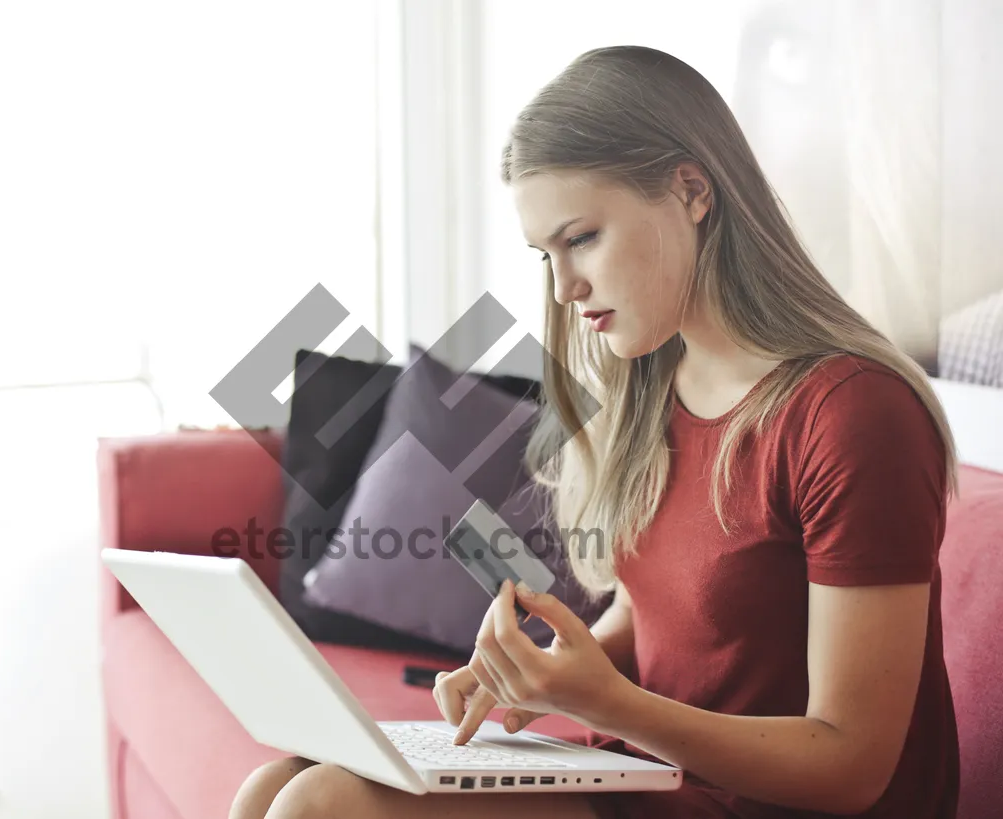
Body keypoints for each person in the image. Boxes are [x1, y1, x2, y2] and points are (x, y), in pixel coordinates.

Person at [228, 45, 959, 819]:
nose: (564, 287)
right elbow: (658, 613)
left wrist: (610, 706)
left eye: (581, 238)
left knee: (323, 804)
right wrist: (534, 672)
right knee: (273, 786)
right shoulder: (657, 384)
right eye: (546, 254)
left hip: (768, 805)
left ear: (691, 190)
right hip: (662, 779)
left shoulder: (851, 414)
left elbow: (853, 765)